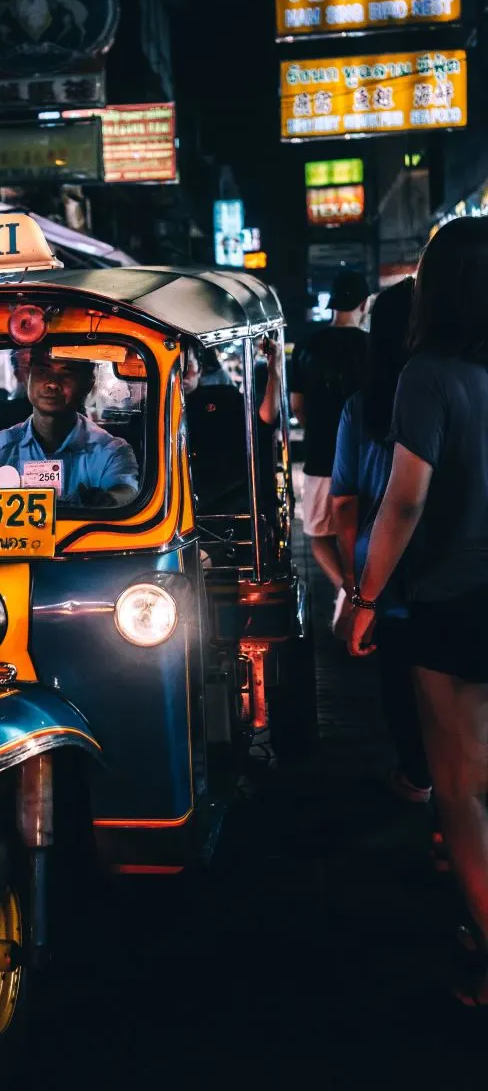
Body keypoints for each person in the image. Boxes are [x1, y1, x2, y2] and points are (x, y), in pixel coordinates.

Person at [348, 218, 488, 1006]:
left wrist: (364, 600)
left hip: (456, 600)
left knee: (462, 788)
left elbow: (402, 505)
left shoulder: (428, 375)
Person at [330, 279, 431, 804]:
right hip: (440, 566)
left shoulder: (361, 406)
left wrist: (355, 583)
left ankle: (417, 775)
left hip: (382, 569)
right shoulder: (453, 390)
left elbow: (345, 502)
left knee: (398, 679)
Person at [291, 270, 369, 630]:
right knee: (363, 531)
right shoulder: (373, 347)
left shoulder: (307, 346)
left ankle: (347, 589)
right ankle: (365, 592)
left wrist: (319, 432)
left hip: (321, 456)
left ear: (332, 303)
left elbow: (297, 406)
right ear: (364, 304)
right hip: (365, 459)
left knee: (318, 535)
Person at [0, 349, 139, 507]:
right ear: (28, 377)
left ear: (88, 383)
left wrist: (108, 500)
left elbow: (126, 491)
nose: (52, 383)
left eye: (66, 373)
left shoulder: (111, 451)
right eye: (43, 370)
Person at [183, 338, 282, 518]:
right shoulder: (152, 410)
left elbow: (263, 423)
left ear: (200, 369)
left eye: (187, 364)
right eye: (176, 366)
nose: (183, 374)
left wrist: (274, 371)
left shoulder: (224, 398)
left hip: (225, 508)